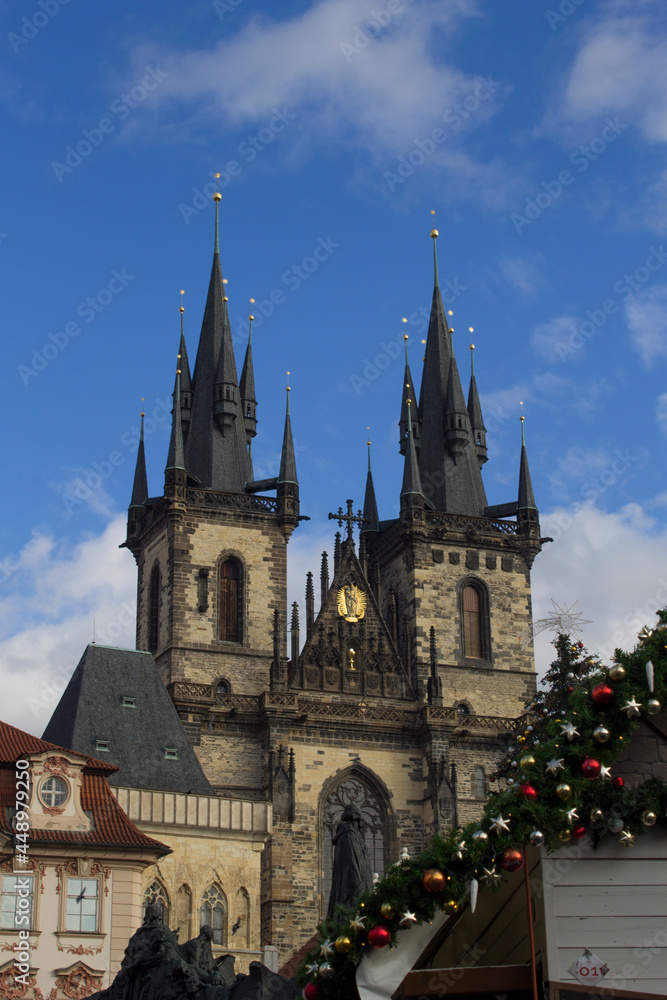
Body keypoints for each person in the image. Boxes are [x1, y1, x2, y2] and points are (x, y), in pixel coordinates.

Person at [327, 802, 373, 917]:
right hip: (352, 893)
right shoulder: (349, 836)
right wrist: (361, 891)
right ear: (356, 819)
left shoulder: (349, 836)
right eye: (359, 820)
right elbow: (353, 865)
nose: (360, 824)